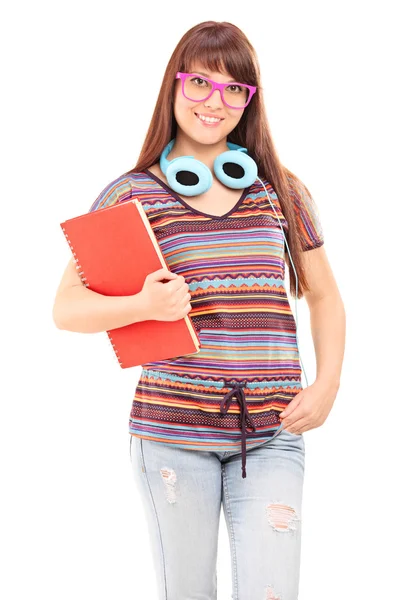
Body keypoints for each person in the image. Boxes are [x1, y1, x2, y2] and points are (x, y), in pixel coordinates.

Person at [53, 20, 346, 600]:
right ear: (174, 87)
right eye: (201, 83)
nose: (217, 102)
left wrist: (328, 384)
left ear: (248, 101)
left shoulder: (281, 191)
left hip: (272, 433)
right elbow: (66, 308)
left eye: (235, 89)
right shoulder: (130, 195)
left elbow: (324, 295)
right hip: (169, 435)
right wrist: (142, 303)